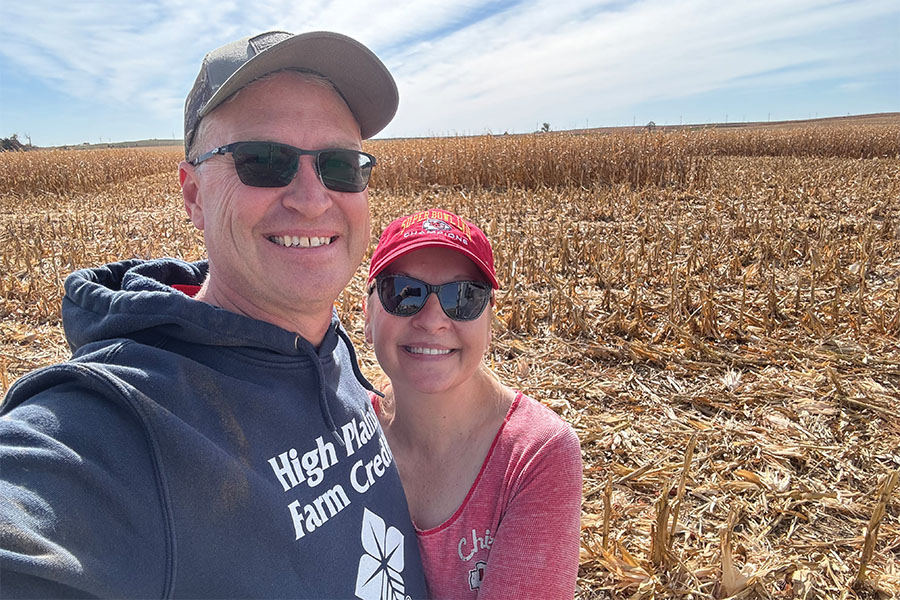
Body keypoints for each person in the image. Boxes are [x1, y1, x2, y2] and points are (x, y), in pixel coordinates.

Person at [0, 31, 427, 598]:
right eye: (262, 161)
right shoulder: (119, 425)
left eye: (340, 165)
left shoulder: (329, 348)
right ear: (194, 196)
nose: (312, 196)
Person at [363, 208, 583, 598]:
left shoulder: (536, 455)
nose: (432, 320)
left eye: (463, 297)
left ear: (489, 320)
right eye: (402, 292)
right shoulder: (343, 431)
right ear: (367, 314)